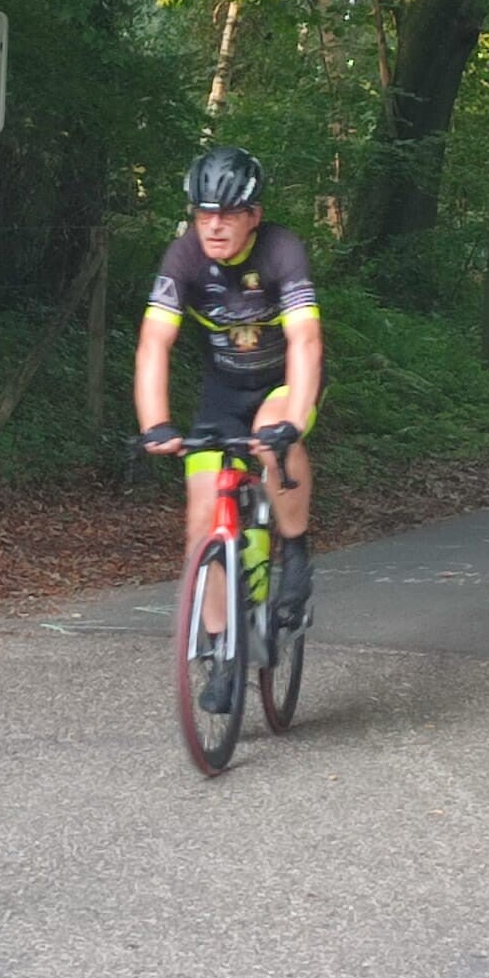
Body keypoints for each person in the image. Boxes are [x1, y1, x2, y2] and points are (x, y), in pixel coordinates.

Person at [134, 146, 325, 709]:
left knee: (272, 440)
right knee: (202, 518)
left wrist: (293, 422)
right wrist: (155, 423)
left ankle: (295, 553)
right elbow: (154, 342)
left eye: (227, 214)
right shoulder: (184, 257)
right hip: (222, 393)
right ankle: (222, 652)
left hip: (282, 384)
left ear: (254, 215)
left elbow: (306, 341)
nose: (213, 225)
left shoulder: (282, 251)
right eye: (203, 213)